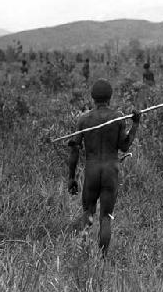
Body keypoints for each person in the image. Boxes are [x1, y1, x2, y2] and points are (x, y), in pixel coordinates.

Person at [68, 79, 141, 256]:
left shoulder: (84, 119)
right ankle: (102, 259)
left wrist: (71, 177)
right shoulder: (118, 117)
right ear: (110, 97)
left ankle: (83, 253)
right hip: (110, 171)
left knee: (88, 212)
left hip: (92, 171)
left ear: (92, 97)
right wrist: (135, 124)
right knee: (106, 217)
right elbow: (124, 146)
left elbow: (74, 150)